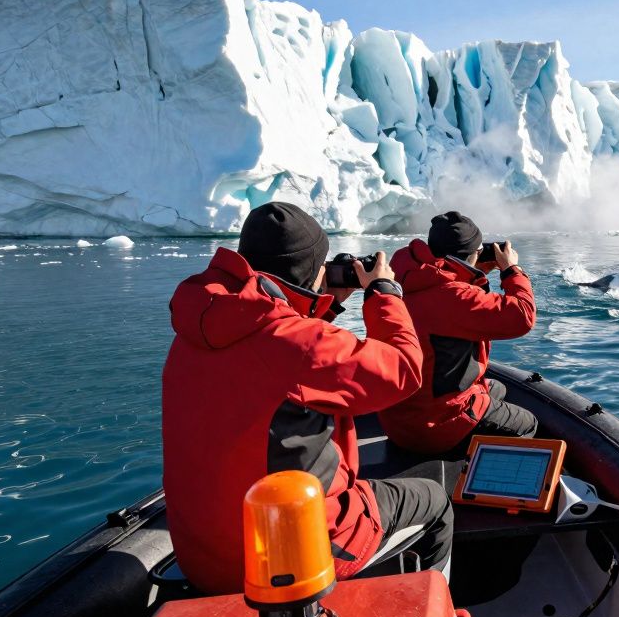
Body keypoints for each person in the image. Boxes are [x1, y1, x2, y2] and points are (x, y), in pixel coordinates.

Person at [161, 202, 453, 595]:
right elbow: (403, 369)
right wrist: (384, 294)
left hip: (204, 555)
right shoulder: (301, 347)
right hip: (286, 558)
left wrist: (319, 305)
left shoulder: (198, 326)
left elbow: (279, 355)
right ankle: (426, 611)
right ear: (311, 270)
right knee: (434, 501)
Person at [380, 211, 538, 454]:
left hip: (398, 419)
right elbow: (522, 316)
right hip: (433, 425)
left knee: (498, 388)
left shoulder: (403, 279)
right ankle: (472, 476)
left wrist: (470, 272)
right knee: (527, 423)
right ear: (473, 253)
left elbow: (448, 303)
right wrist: (511, 270)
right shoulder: (456, 297)